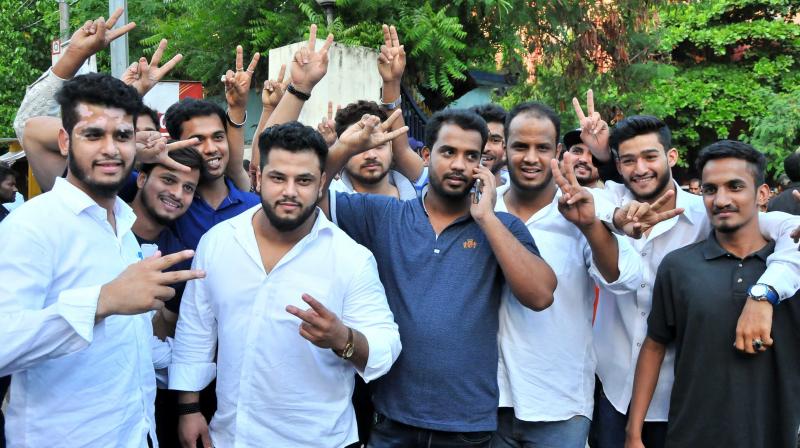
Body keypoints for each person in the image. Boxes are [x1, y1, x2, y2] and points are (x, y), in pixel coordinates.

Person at [0, 73, 203, 448]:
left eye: (122, 136)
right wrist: (103, 301)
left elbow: (128, 346)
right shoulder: (32, 225)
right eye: (93, 135)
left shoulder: (123, 230)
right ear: (65, 140)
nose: (110, 149)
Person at [171, 121, 401, 448]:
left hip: (321, 441)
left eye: (304, 180)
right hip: (231, 437)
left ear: (322, 182)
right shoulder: (219, 242)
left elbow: (385, 346)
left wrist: (343, 338)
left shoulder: (351, 257)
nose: (290, 191)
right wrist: (189, 408)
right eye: (278, 177)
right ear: (258, 176)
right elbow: (196, 331)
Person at [588, 115, 800, 448]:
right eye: (711, 189)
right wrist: (634, 431)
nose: (721, 199)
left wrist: (763, 295)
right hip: (624, 395)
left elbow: (776, 227)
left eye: (735, 187)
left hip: (752, 419)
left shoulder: (778, 255)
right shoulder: (675, 259)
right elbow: (654, 343)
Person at [490, 102, 641, 447]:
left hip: (560, 400)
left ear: (557, 152)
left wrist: (589, 225)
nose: (530, 158)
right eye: (520, 146)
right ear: (504, 148)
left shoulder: (587, 204)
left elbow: (626, 277)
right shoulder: (483, 205)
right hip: (489, 398)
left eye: (542, 148)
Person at [329, 100, 417, 199]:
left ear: (391, 147)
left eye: (379, 145)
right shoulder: (329, 200)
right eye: (360, 148)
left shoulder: (421, 199)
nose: (371, 155)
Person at [470, 103, 508, 186]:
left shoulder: (521, 196)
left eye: (495, 140)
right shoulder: (443, 195)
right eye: (477, 139)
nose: (485, 148)